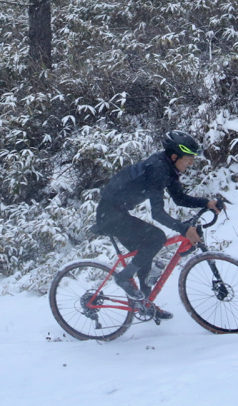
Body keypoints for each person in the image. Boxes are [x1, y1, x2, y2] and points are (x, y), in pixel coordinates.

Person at [94, 130, 223, 320]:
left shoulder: (168, 168)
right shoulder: (157, 169)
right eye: (189, 158)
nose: (191, 163)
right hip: (109, 215)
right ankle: (123, 278)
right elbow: (157, 213)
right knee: (156, 237)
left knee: (144, 258)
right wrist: (184, 229)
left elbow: (179, 199)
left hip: (118, 212)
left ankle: (145, 305)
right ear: (174, 156)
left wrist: (206, 203)